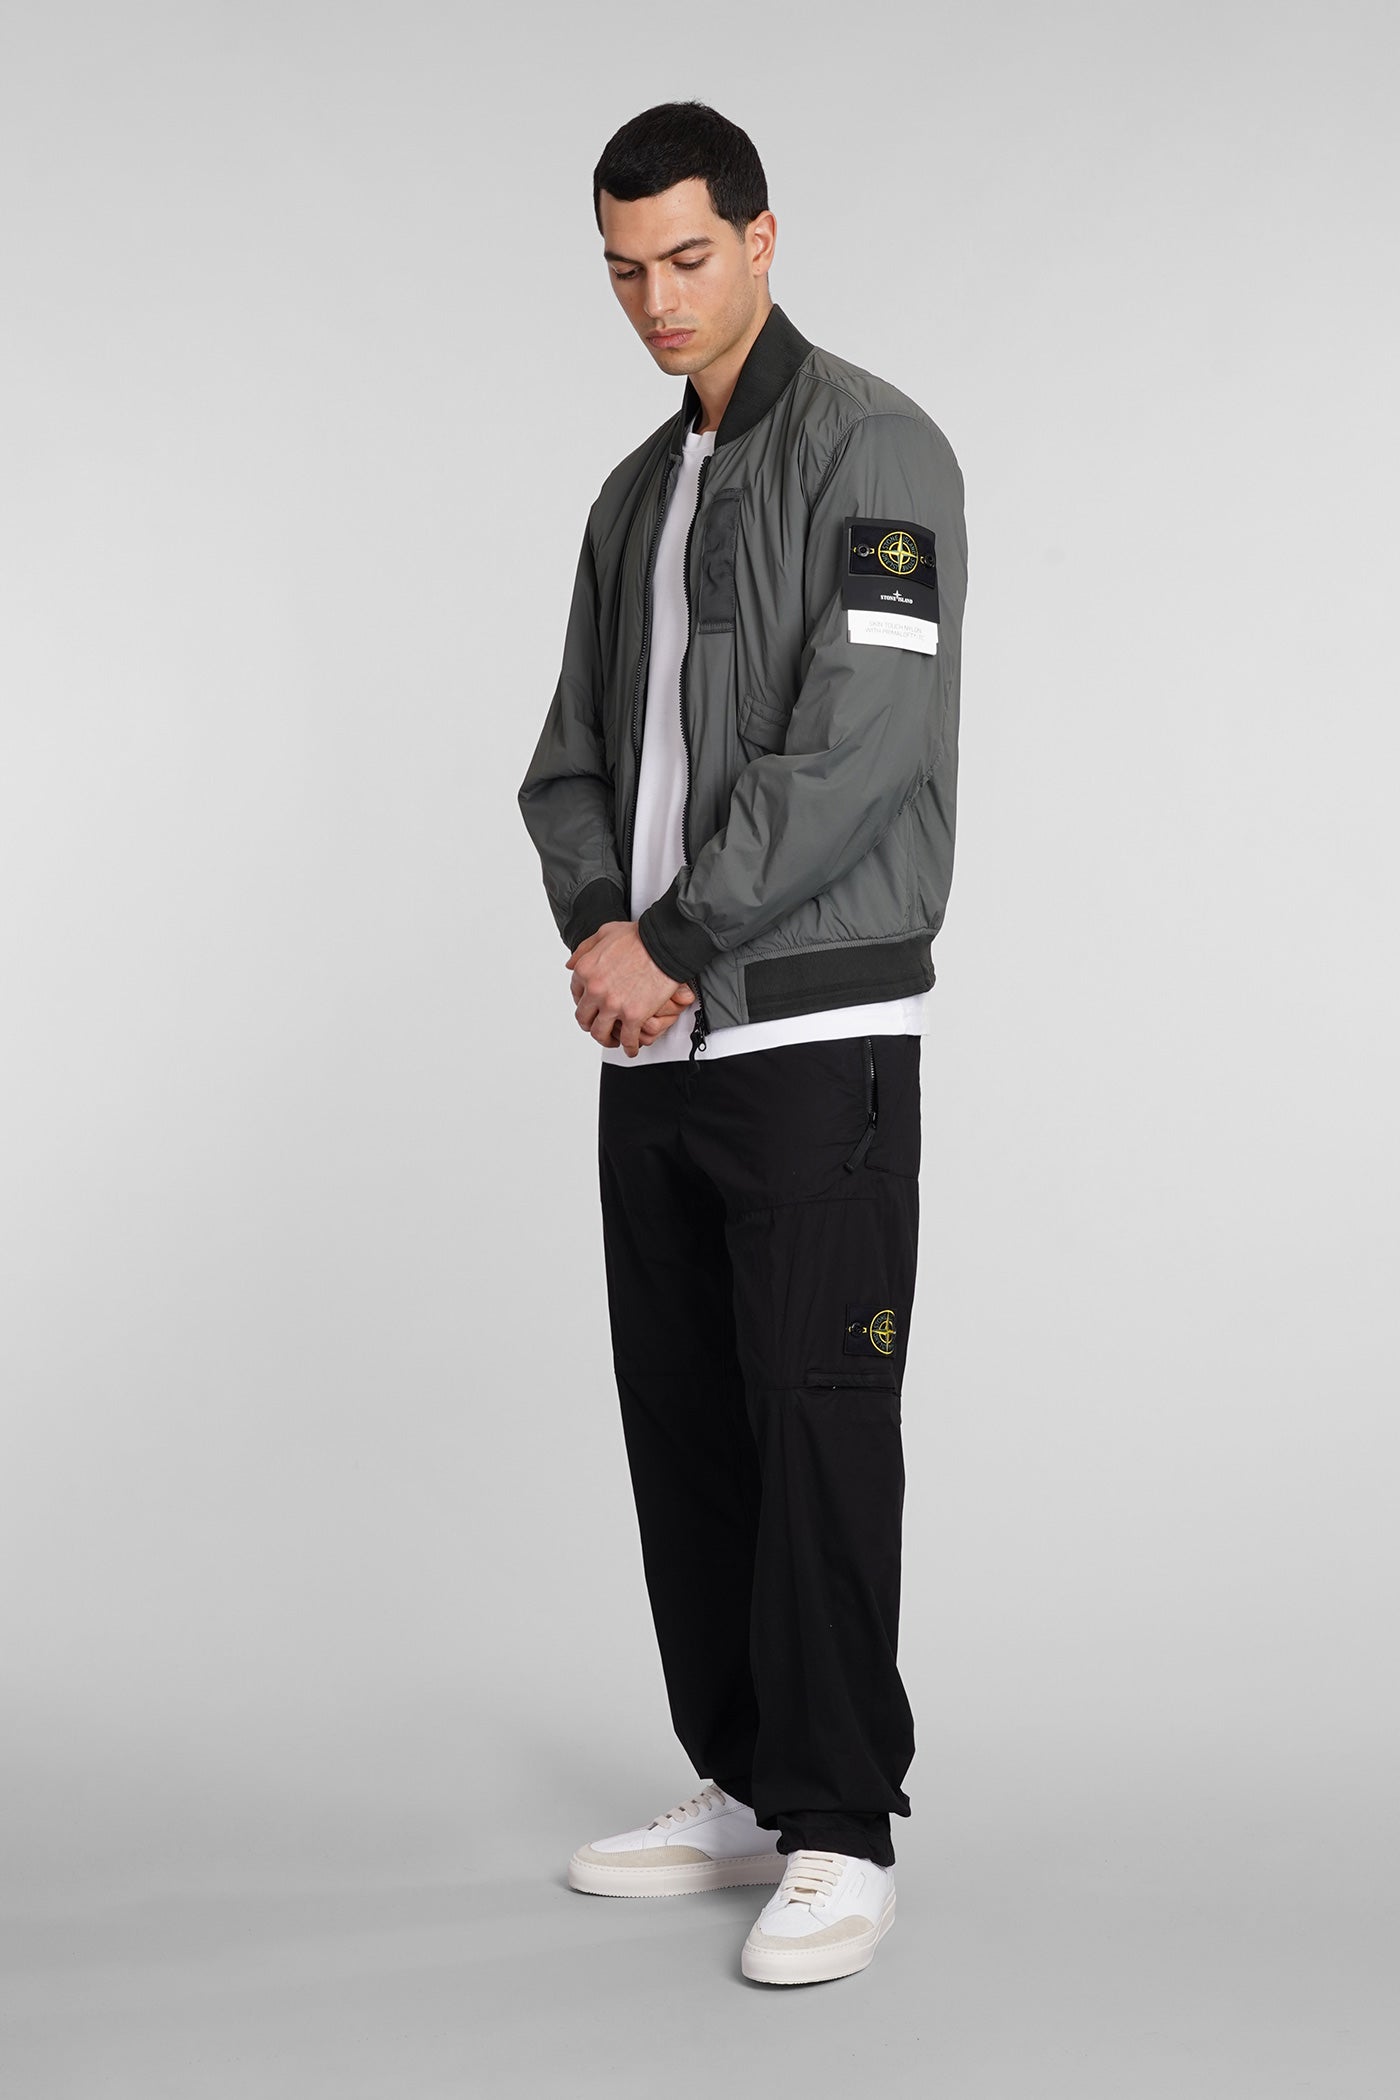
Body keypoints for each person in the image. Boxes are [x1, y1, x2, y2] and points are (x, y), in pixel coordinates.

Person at [517, 99, 967, 1986]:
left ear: (763, 241)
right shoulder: (636, 494)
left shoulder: (879, 448)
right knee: (689, 1430)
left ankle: (841, 1827)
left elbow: (862, 742)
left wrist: (682, 940)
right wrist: (603, 939)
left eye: (687, 258)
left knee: (816, 1427)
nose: (656, 299)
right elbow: (569, 760)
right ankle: (746, 1781)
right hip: (655, 1050)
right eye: (624, 268)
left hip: (813, 1036)